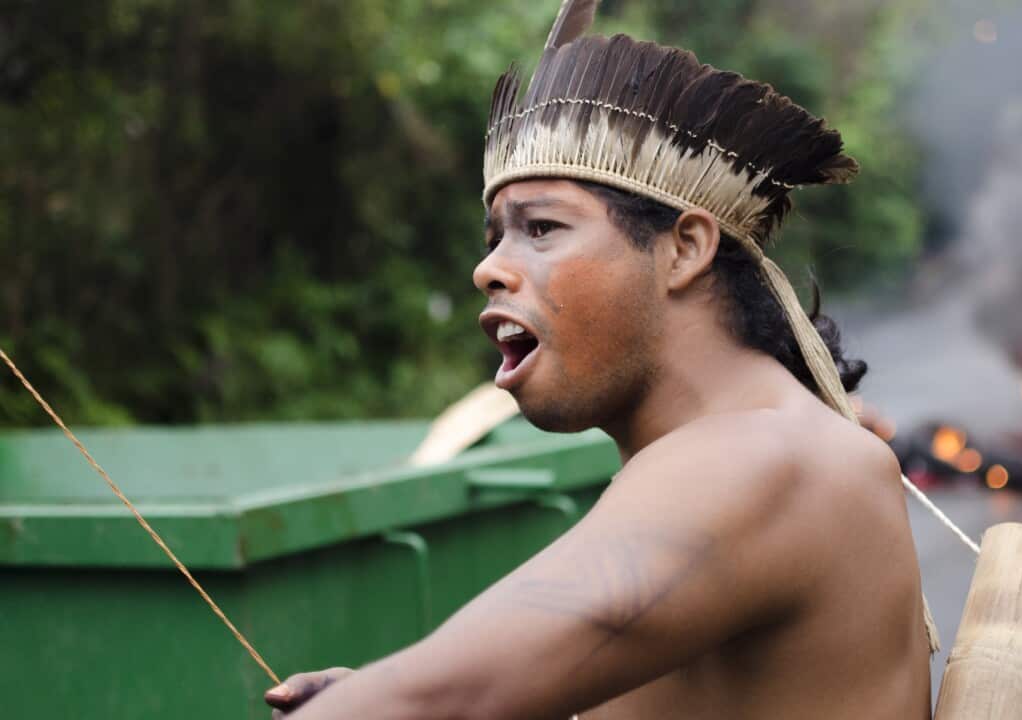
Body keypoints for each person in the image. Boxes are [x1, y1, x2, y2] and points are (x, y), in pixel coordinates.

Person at [265, 3, 932, 718]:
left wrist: (394, 704)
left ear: (684, 249)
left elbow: (450, 701)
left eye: (541, 228)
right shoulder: (753, 447)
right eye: (494, 238)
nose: (488, 270)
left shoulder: (757, 455)